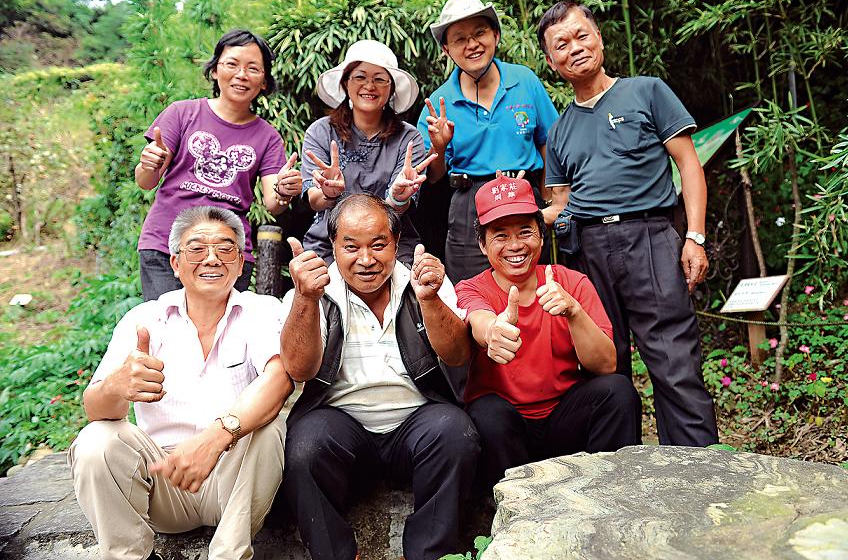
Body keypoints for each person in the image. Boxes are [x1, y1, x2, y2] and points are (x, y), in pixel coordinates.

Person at [536, 1, 718, 446]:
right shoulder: (558, 131)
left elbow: (689, 166)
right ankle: (622, 478)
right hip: (589, 251)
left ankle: (699, 475)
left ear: (599, 36)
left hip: (651, 238)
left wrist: (694, 237)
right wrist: (518, 220)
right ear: (550, 61)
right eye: (562, 44)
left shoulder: (647, 91)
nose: (575, 48)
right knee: (605, 364)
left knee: (674, 362)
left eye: (582, 36)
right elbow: (560, 205)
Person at [69, 206, 294, 560]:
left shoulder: (262, 310)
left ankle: (229, 555)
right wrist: (117, 386)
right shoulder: (145, 319)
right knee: (96, 440)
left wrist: (212, 441)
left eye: (225, 248)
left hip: (233, 477)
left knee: (268, 426)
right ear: (175, 263)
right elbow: (95, 409)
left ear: (239, 264)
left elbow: (279, 380)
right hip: (163, 481)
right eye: (197, 248)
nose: (211, 259)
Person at [280, 194, 479, 560]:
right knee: (303, 446)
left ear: (396, 242)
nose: (366, 259)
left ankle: (426, 554)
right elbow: (298, 368)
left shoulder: (422, 281)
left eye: (378, 245)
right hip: (342, 425)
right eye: (351, 247)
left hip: (415, 421)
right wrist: (306, 300)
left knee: (456, 432)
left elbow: (457, 354)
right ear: (333, 247)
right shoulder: (313, 292)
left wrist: (431, 300)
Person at [455, 176, 641, 490]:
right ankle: (512, 513)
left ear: (541, 237)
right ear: (482, 244)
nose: (515, 245)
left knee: (617, 391)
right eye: (500, 235)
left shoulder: (572, 282)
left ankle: (611, 496)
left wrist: (574, 312)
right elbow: (479, 318)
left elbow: (606, 365)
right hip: (507, 429)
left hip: (564, 418)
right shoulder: (471, 289)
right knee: (487, 414)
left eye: (525, 232)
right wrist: (493, 331)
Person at [136, 29, 303, 301]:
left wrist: (285, 190)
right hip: (167, 244)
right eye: (232, 64)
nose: (241, 74)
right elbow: (145, 181)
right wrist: (149, 164)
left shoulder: (267, 136)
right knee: (166, 334)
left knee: (221, 340)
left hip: (228, 252)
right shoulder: (181, 113)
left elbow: (274, 202)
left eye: (253, 68)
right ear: (214, 71)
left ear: (263, 82)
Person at [418, 0, 559, 284]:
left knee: (534, 289)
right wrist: (439, 146)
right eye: (459, 39)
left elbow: (550, 143)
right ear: (446, 49)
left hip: (523, 196)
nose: (472, 44)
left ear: (495, 35)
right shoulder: (439, 101)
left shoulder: (525, 81)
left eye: (479, 32)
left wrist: (547, 200)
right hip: (469, 204)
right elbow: (432, 177)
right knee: (472, 295)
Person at [301, 39, 435, 264]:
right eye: (360, 77)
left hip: (392, 245)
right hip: (329, 243)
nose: (369, 86)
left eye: (380, 79)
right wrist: (329, 193)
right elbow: (314, 198)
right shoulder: (321, 131)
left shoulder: (408, 137)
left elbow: (400, 206)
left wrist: (398, 196)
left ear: (391, 88)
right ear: (345, 84)